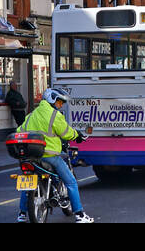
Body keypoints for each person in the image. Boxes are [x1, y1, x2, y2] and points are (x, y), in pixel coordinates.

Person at [15, 86, 94, 223]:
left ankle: (21, 215)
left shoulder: (31, 115)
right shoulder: (54, 115)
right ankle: (80, 215)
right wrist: (77, 135)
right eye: (59, 102)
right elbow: (66, 132)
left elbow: (19, 130)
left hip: (31, 157)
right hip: (50, 156)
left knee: (28, 182)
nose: (60, 105)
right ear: (51, 99)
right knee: (71, 182)